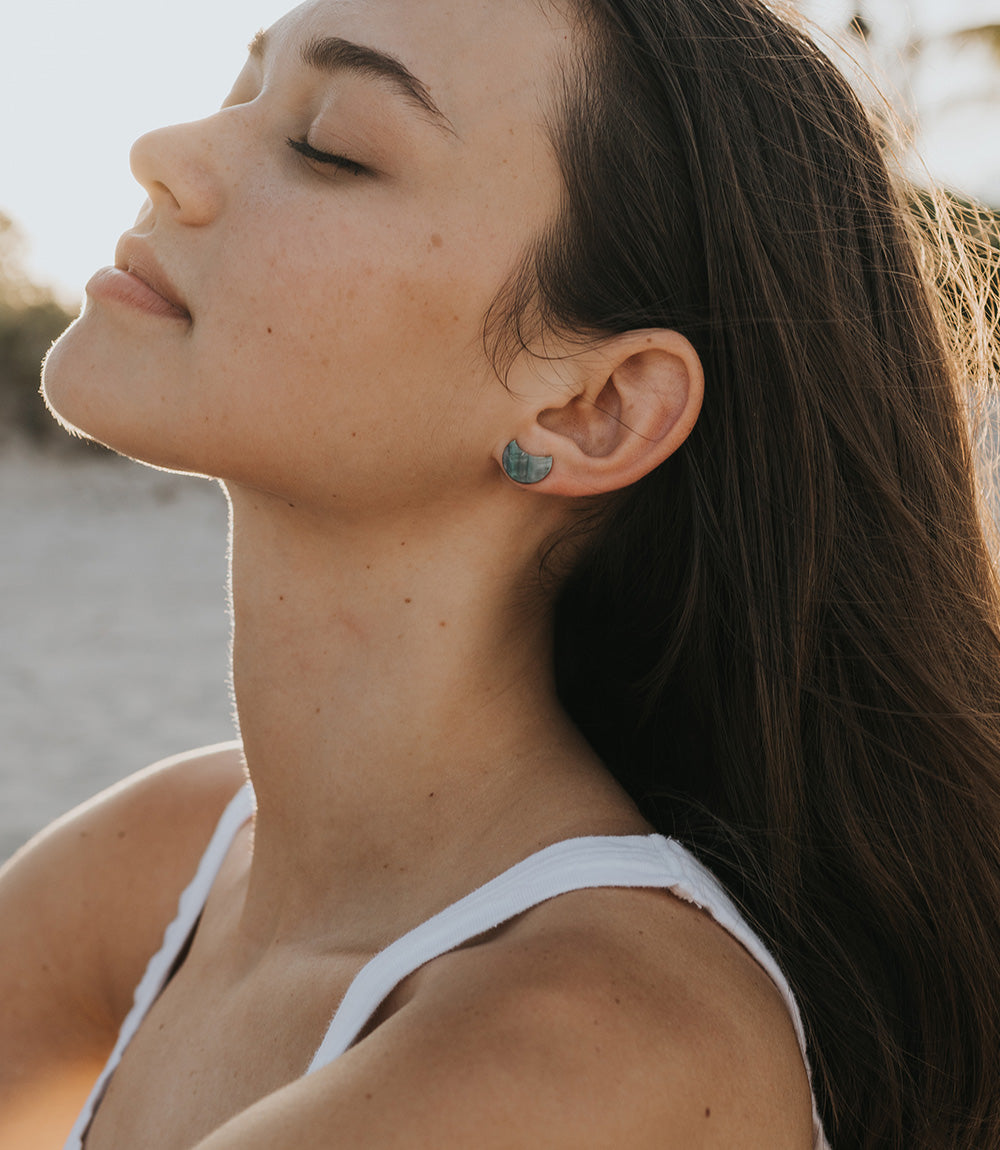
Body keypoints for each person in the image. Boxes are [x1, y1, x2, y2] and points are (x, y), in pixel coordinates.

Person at [2, 0, 998, 1146]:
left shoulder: (585, 1053)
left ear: (593, 408)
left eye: (331, 146)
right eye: (243, 91)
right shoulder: (183, 855)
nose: (165, 155)